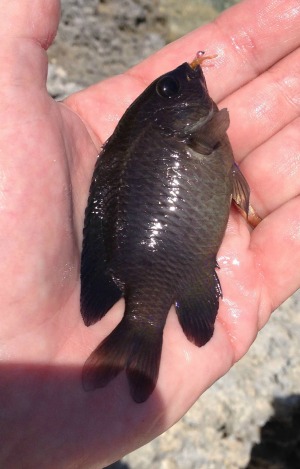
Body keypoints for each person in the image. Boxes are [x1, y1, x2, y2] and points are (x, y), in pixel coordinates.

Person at [0, 0, 299, 467]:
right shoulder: (196, 135)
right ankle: (142, 329)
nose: (183, 78)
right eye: (168, 89)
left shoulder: (192, 134)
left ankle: (140, 333)